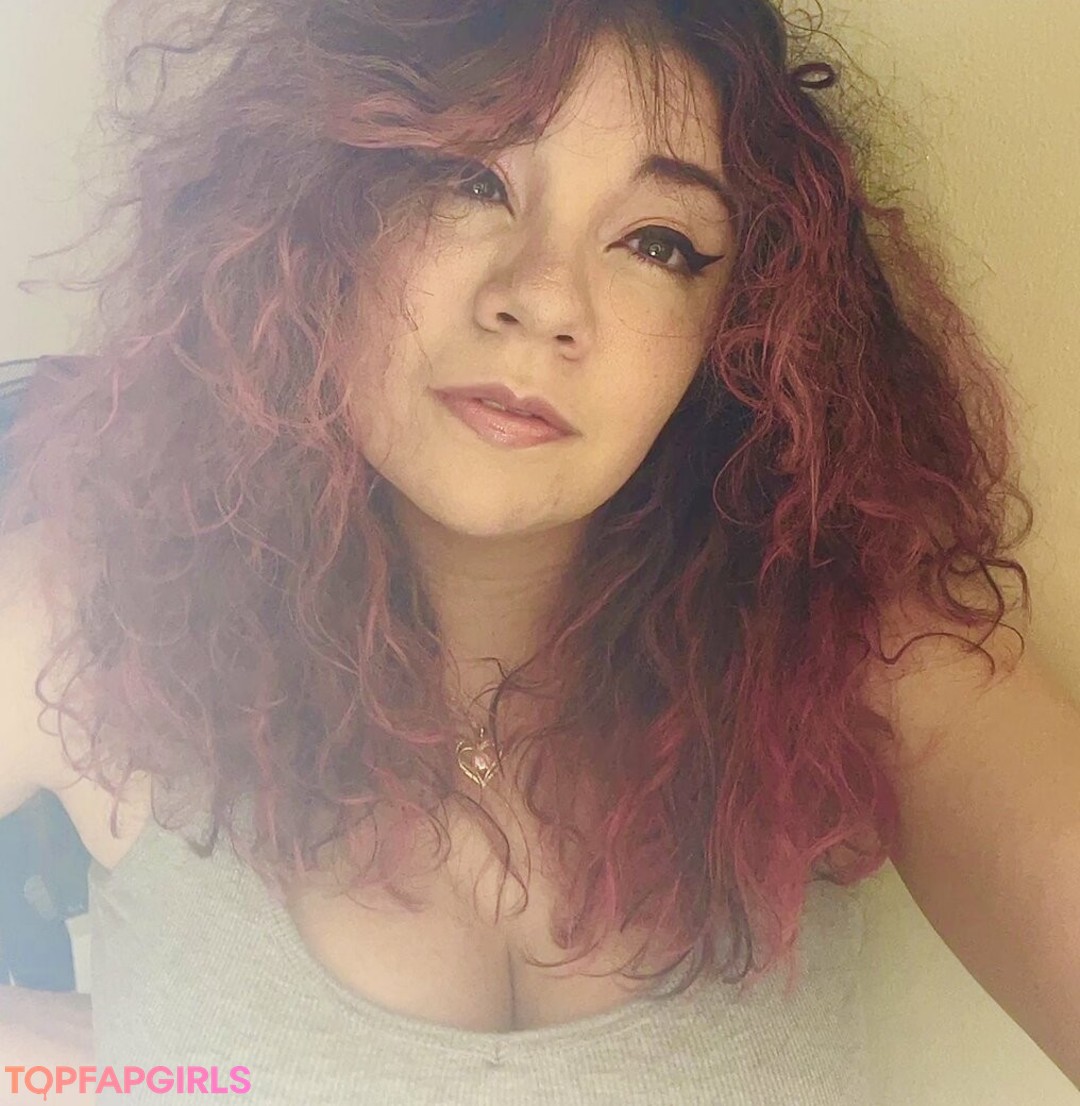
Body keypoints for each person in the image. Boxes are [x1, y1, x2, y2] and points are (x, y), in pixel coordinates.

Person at [3, 0, 1079, 1102]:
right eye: (472, 180)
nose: (546, 298)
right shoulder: (97, 612)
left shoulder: (844, 646)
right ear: (319, 210)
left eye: (658, 243)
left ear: (740, 332)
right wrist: (104, 1063)